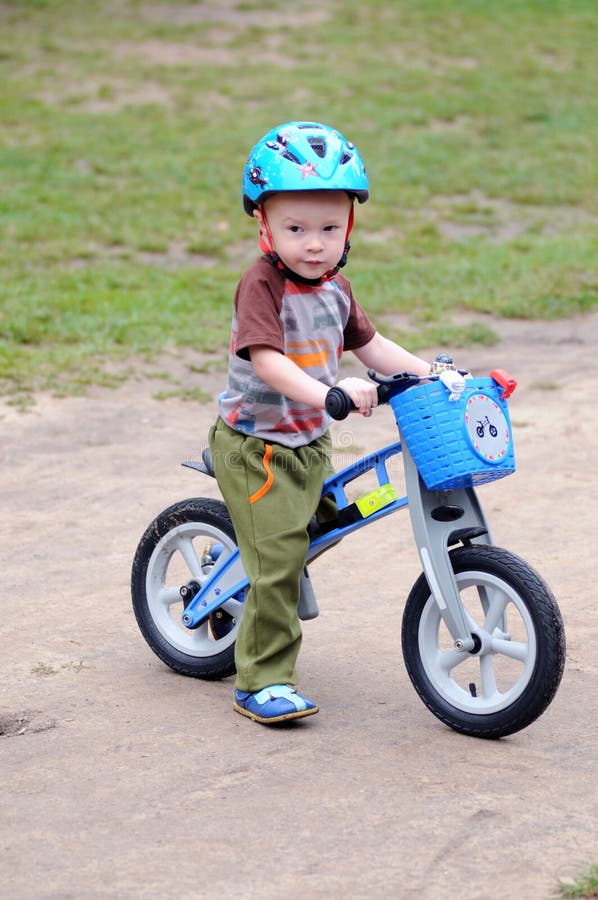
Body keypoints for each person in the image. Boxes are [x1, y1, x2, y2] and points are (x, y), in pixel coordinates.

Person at [209, 121, 431, 725]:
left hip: (307, 441)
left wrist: (433, 371)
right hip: (256, 446)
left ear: (349, 228)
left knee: (322, 526)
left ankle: (278, 568)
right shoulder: (261, 285)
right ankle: (262, 680)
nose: (314, 244)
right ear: (265, 227)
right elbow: (269, 363)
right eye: (296, 229)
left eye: (330, 228)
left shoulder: (336, 289)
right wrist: (329, 393)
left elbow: (374, 345)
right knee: (279, 561)